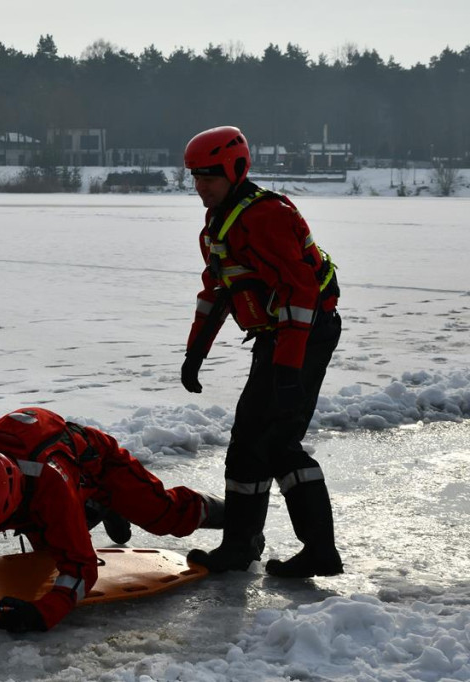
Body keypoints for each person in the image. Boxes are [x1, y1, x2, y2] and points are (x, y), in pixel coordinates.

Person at [179, 125, 343, 579]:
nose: (200, 186)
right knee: (246, 443)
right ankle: (240, 544)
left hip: (306, 333)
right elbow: (217, 291)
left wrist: (289, 369)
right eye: (193, 176)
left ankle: (320, 551)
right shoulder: (218, 225)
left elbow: (301, 293)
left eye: (209, 176)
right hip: (276, 336)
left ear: (235, 169)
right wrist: (195, 354)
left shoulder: (266, 217)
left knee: (276, 441)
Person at [0, 407, 224, 633]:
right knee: (46, 555)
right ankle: (100, 507)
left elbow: (82, 569)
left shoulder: (50, 481)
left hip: (98, 465)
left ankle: (236, 514)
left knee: (165, 516)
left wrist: (42, 615)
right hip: (55, 474)